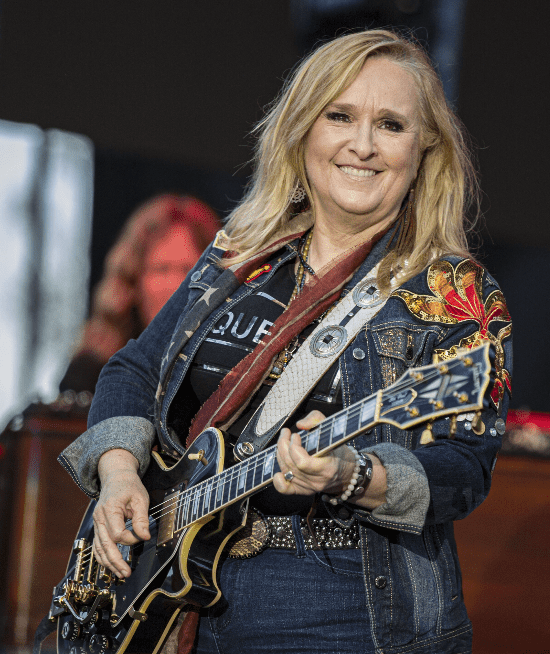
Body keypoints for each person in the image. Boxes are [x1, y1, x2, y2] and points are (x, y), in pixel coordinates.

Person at [59, 29, 513, 654]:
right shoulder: (237, 257)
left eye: (390, 125)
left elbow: (465, 470)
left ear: (423, 148)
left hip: (346, 611)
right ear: (303, 130)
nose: (362, 144)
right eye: (340, 116)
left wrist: (352, 475)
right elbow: (134, 368)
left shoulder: (454, 290)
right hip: (176, 599)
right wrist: (117, 475)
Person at [57, 194, 221, 394]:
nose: (176, 285)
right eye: (161, 269)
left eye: (188, 270)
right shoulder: (94, 372)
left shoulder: (230, 368)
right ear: (133, 282)